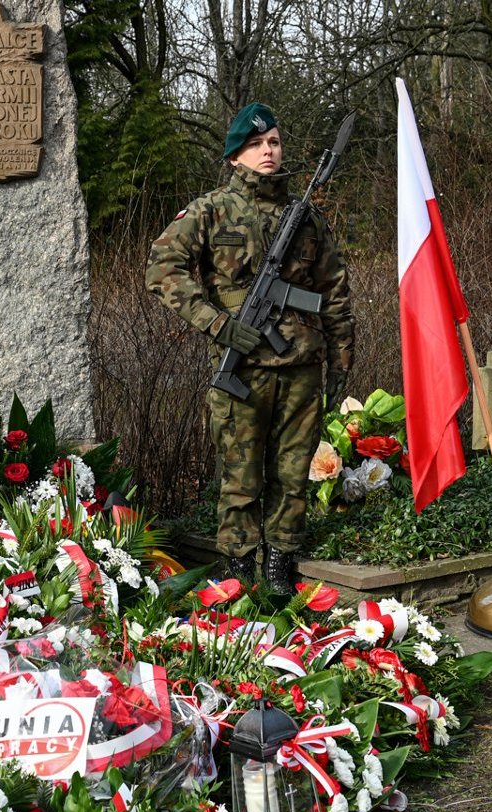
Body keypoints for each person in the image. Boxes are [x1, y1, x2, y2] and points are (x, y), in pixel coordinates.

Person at [145, 102, 355, 595]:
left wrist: (341, 364)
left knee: (293, 472)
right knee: (240, 477)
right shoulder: (210, 211)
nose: (268, 151)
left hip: (302, 365)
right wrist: (217, 323)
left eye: (275, 142)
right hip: (245, 370)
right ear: (235, 155)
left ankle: (281, 563)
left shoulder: (307, 220)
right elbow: (161, 270)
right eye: (257, 144)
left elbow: (335, 294)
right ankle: (238, 569)